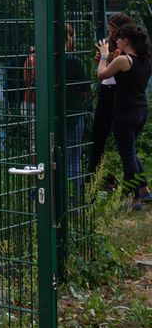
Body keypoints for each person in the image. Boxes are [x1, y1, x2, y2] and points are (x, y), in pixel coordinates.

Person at [96, 23, 152, 209]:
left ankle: (133, 199)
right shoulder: (145, 60)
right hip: (141, 111)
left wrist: (104, 55)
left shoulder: (123, 61)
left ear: (126, 41)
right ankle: (143, 190)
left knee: (127, 156)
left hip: (124, 113)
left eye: (118, 38)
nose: (115, 40)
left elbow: (101, 75)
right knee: (131, 152)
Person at [89, 12, 133, 186]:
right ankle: (95, 181)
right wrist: (101, 59)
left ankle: (132, 185)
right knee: (98, 136)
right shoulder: (107, 43)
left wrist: (109, 59)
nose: (110, 34)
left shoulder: (129, 46)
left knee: (124, 141)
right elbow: (101, 72)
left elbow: (128, 64)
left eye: (113, 31)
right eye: (109, 30)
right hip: (106, 90)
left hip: (121, 92)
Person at [63, 24, 90, 202]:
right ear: (68, 38)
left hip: (52, 116)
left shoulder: (44, 59)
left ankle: (58, 196)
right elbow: (85, 91)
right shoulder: (75, 62)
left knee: (55, 156)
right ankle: (77, 196)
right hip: (73, 113)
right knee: (74, 156)